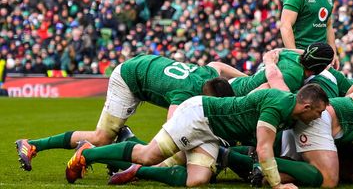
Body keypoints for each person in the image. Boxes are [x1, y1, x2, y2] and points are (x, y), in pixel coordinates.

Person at [65, 85, 329, 187]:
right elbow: (263, 149)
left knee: (197, 180)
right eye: (317, 113)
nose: (316, 119)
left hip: (212, 133)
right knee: (148, 154)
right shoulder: (280, 105)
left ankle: (135, 171)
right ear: (306, 106)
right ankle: (87, 152)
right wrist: (278, 185)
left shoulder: (286, 107)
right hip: (199, 117)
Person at [16, 55, 239, 171]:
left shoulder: (208, 75)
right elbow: (172, 125)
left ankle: (124, 147)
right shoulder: (184, 94)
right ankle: (33, 144)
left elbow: (217, 65)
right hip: (128, 78)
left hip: (146, 65)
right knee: (102, 138)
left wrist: (244, 76)